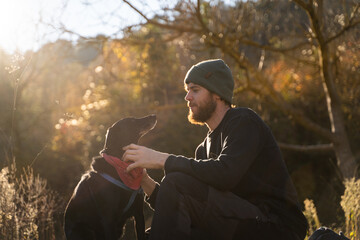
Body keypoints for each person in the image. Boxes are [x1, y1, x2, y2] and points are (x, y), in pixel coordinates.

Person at [123, 59, 308, 240]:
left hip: (277, 228)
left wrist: (162, 159)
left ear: (217, 93)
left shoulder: (243, 121)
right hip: (238, 223)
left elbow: (226, 174)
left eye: (195, 90)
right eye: (187, 91)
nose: (187, 97)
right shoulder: (203, 149)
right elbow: (179, 202)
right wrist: (145, 181)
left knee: (176, 181)